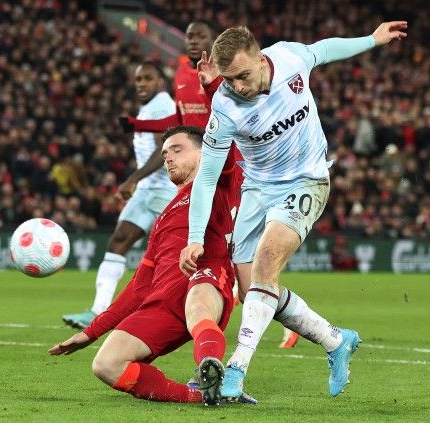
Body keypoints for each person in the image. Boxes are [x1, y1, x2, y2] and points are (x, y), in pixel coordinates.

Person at [179, 22, 408, 399]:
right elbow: (206, 177)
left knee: (268, 262)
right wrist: (193, 238)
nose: (237, 86)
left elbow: (324, 49)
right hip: (257, 189)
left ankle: (236, 370)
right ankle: (335, 340)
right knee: (254, 290)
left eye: (242, 75)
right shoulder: (225, 105)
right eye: (230, 79)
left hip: (305, 181)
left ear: (259, 57)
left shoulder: (288, 58)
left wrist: (371, 39)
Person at [123, 19, 301, 349]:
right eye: (189, 36)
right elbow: (176, 123)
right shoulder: (180, 80)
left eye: (201, 37)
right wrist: (138, 124)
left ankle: (280, 317)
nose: (193, 42)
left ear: (213, 42)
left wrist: (210, 85)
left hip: (225, 173)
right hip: (196, 175)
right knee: (225, 256)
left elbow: (232, 110)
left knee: (239, 260)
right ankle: (228, 298)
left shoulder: (229, 81)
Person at [50, 126, 247, 406]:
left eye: (177, 150)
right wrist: (90, 332)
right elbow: (139, 287)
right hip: (161, 304)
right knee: (106, 365)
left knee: (198, 305)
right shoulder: (163, 217)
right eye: (165, 152)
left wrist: (215, 86)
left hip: (205, 278)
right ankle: (201, 394)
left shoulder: (216, 184)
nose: (168, 157)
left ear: (205, 153)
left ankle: (211, 366)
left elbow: (225, 140)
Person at [62, 62, 177, 329]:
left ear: (160, 82)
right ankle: (98, 310)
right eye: (138, 79)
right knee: (118, 241)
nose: (141, 83)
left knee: (177, 255)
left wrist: (133, 178)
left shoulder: (162, 105)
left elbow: (165, 151)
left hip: (167, 191)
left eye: (148, 78)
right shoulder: (149, 108)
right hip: (147, 192)